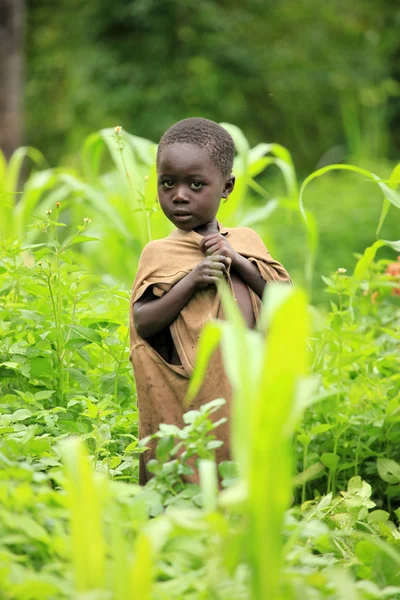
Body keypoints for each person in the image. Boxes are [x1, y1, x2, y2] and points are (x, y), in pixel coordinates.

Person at [129, 117, 291, 484]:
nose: (179, 195)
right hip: (188, 402)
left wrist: (237, 260)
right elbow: (143, 324)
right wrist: (193, 280)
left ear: (227, 187)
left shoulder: (246, 242)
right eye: (167, 183)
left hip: (246, 397)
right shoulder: (159, 254)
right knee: (186, 487)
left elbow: (283, 301)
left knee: (241, 486)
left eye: (196, 184)